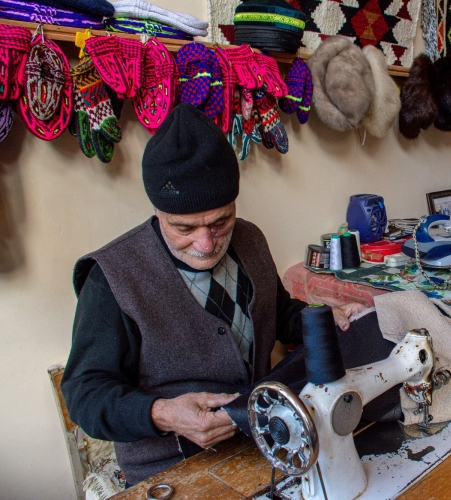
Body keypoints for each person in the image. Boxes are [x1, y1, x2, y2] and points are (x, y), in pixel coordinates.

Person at [60, 104, 367, 485]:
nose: (205, 244)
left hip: (262, 439)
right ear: (158, 211)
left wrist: (323, 317)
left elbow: (278, 311)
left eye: (220, 221)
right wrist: (161, 413)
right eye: (184, 228)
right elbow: (84, 394)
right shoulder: (111, 277)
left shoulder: (250, 238)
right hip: (170, 469)